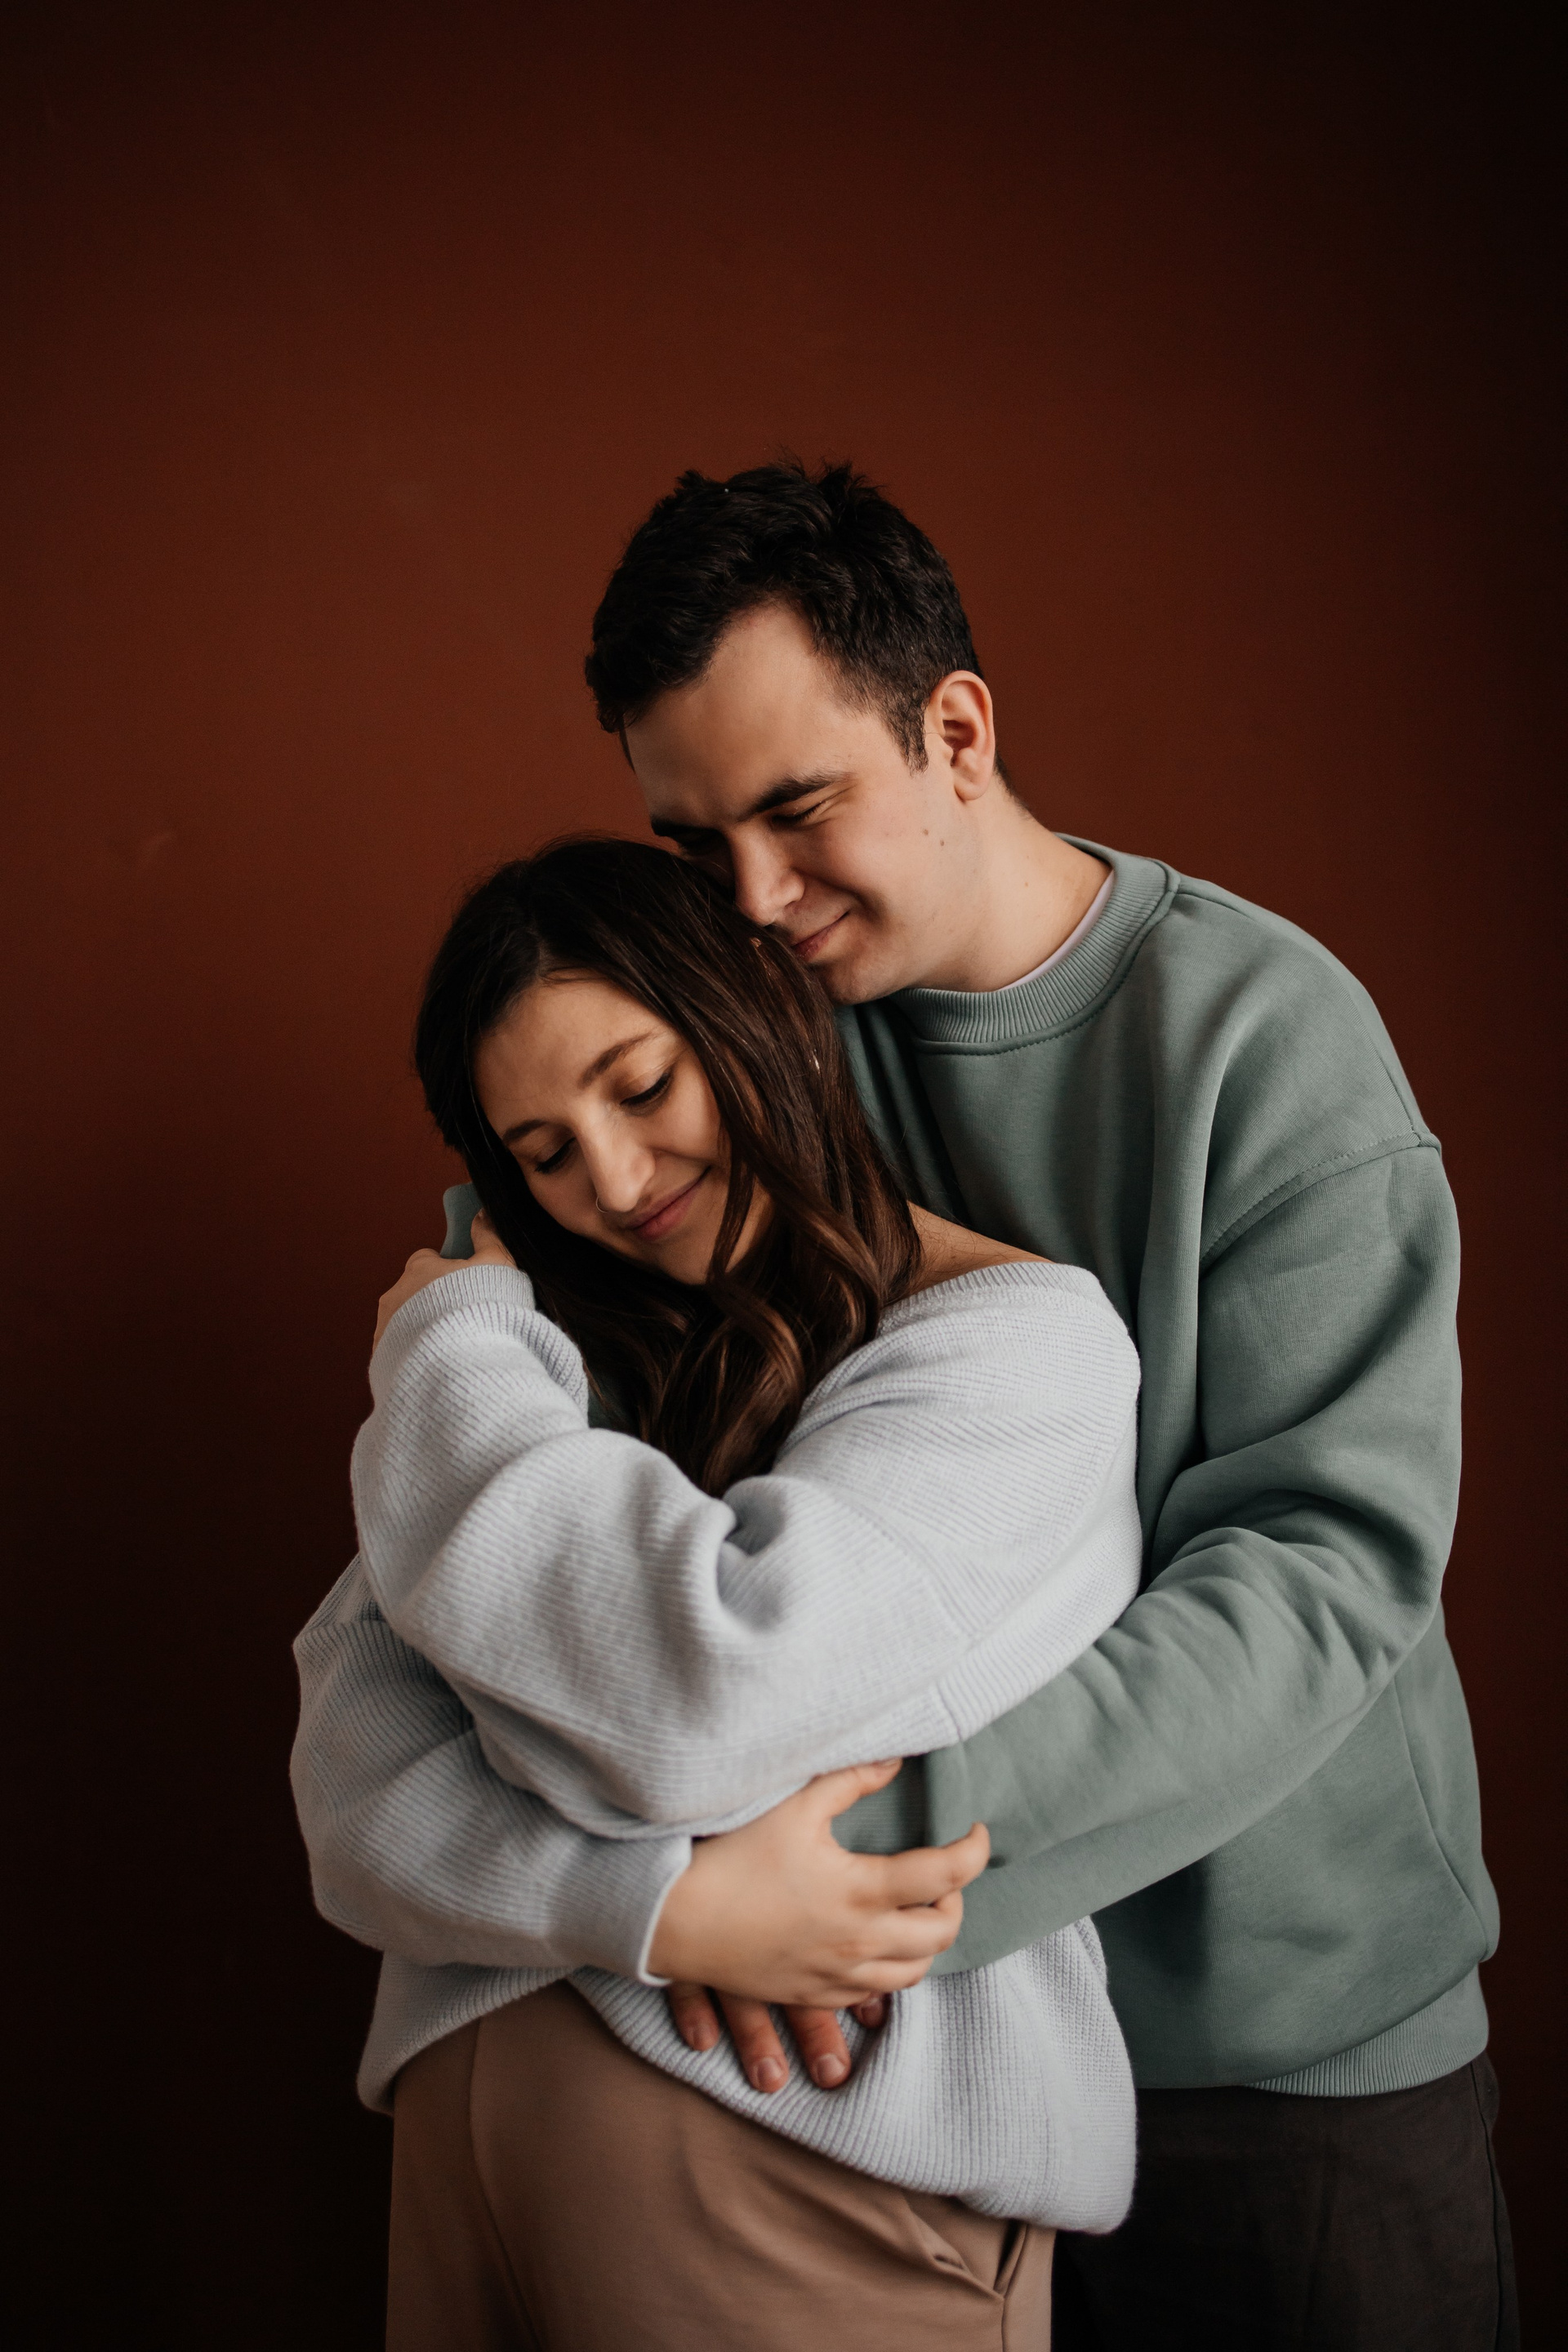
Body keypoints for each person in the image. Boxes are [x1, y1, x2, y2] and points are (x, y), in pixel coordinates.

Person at [563, 461, 1513, 2350]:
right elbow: (540, 1305)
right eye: (694, 844)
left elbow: (1314, 1579)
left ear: (958, 732)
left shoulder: (1266, 1044)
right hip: (905, 2075)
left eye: (797, 809)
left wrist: (850, 1882)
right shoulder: (746, 1046)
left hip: (1273, 2061)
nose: (750, 899)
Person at [294, 837, 1145, 2348]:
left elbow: (695, 1701)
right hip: (464, 2171)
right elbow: (353, 1798)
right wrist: (658, 1905)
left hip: (801, 2173)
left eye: (641, 1086)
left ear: (755, 1009)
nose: (616, 1184)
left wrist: (450, 1343)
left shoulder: (1022, 1351)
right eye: (545, 1154)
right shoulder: (549, 1389)